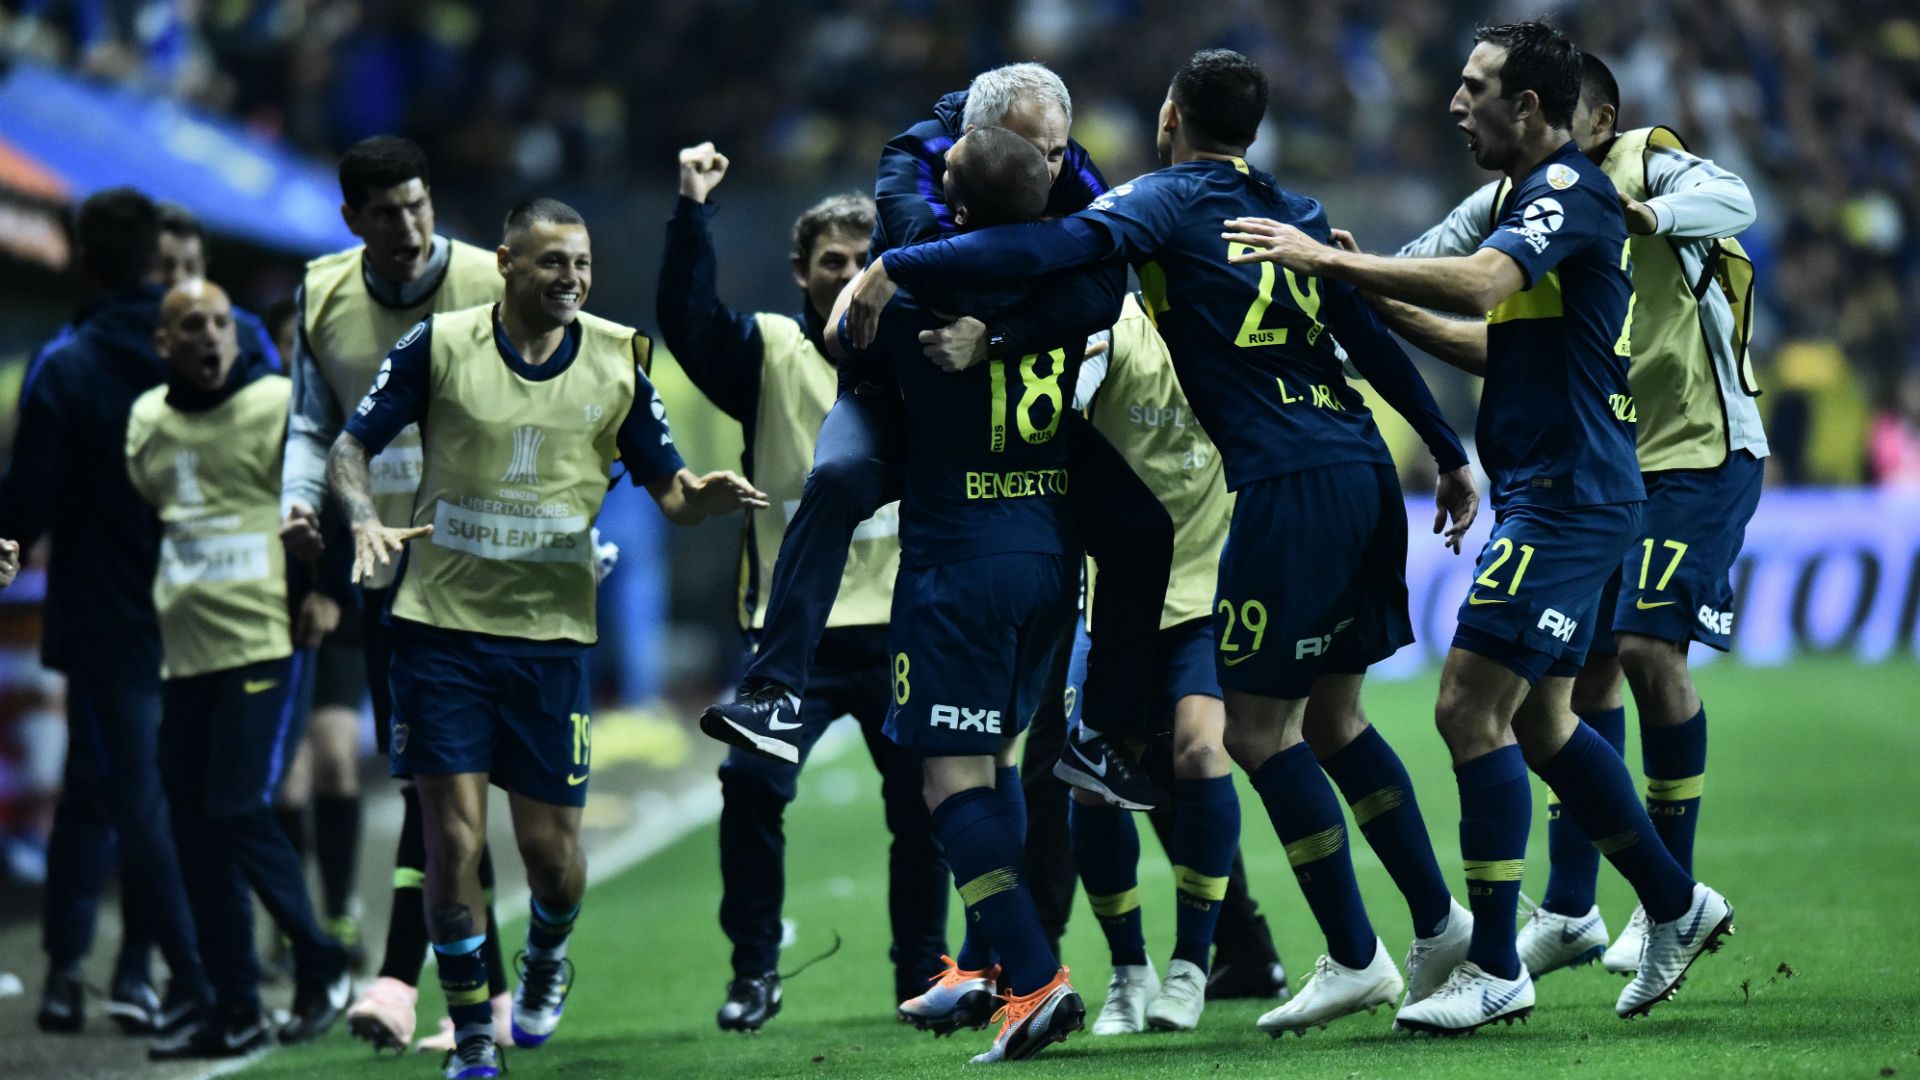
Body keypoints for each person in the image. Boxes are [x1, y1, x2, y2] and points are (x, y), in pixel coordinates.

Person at [847, 47, 1484, 1040]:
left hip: (1274, 487)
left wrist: (896, 261)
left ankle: (1355, 955)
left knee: (1247, 734)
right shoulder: (1295, 212)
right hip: (1359, 465)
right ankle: (1439, 925)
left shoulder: (1156, 203)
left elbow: (1040, 259)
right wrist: (1446, 446)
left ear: (1170, 115)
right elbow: (1356, 327)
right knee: (1335, 721)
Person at [1220, 20, 1736, 1031]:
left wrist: (1347, 273)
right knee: (1541, 721)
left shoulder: (1563, 191)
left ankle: (1495, 965)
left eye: (1474, 87)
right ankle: (1677, 904)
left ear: (1529, 108)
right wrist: (1376, 302)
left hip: (1573, 499)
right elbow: (1501, 345)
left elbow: (1485, 285)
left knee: (1468, 711)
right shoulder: (1521, 199)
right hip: (1560, 490)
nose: (1456, 103)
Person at [330, 197, 765, 1080]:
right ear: (506, 264)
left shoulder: (616, 360)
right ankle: (475, 1038)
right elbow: (350, 447)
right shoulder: (439, 347)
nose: (571, 279)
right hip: (440, 634)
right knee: (453, 843)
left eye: (583, 264)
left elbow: (670, 491)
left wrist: (700, 498)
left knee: (552, 862)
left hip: (551, 644)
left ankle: (547, 954)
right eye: (552, 263)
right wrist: (362, 518)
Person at [1383, 51, 1767, 980]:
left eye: (1586, 127)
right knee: (1576, 682)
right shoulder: (1525, 200)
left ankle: (1661, 898)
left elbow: (1737, 202)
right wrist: (1354, 270)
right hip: (1606, 458)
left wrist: (1651, 217)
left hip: (1699, 448)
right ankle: (1571, 907)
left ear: (1599, 121)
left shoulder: (1636, 165)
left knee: (1640, 649)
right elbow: (1439, 255)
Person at [701, 63, 1174, 814]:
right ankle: (773, 692)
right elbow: (959, 269)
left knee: (1144, 527)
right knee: (838, 479)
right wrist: (1042, 253)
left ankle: (1103, 734)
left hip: (1005, 389)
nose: (1046, 172)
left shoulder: (1065, 160)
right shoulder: (914, 156)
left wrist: (991, 324)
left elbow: (1101, 290)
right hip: (896, 392)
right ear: (971, 144)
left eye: (1056, 154)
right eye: (1030, 153)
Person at [827, 125, 1108, 1064]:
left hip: (959, 562)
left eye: (948, 181)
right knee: (993, 758)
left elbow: (846, 341)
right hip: (1048, 555)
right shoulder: (1068, 289)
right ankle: (989, 970)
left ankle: (1035, 980)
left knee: (949, 775)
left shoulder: (917, 289)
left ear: (958, 207)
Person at [658, 143, 949, 1028]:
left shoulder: (929, 344)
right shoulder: (771, 352)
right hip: (798, 642)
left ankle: (922, 974)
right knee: (750, 785)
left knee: (927, 806)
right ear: (802, 272)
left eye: (866, 260)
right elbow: (688, 319)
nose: (852, 274)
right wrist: (691, 212)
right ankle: (754, 970)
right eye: (834, 262)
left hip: (904, 626)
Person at [277, 135, 512, 1053]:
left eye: (418, 205)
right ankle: (475, 995)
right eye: (385, 213)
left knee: (456, 790)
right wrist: (299, 503)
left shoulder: (493, 281)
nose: (408, 226)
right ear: (352, 220)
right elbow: (311, 421)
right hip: (386, 579)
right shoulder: (322, 293)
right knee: (432, 787)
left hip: (489, 574)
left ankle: (411, 981)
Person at [0, 187, 213, 1038]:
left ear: (86, 258)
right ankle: (127, 971)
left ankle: (171, 973)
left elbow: (27, 501)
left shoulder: (68, 363)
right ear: (157, 262)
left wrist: (11, 537)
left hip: (101, 613)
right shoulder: (202, 351)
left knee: (116, 794)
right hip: (202, 604)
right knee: (134, 790)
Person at [127, 280, 352, 1058]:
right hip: (184, 655)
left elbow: (337, 498)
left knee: (235, 811)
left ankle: (322, 962)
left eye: (222, 323)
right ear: (165, 344)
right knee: (193, 834)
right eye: (193, 326)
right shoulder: (146, 423)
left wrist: (327, 592)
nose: (213, 337)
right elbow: (157, 521)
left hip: (264, 643)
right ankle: (237, 1007)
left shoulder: (276, 405)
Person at [1064, 291, 1259, 1034]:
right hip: (1115, 595)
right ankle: (1126, 971)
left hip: (1211, 589)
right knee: (1090, 788)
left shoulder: (1230, 313)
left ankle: (1190, 968)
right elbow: (1057, 414)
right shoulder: (1108, 324)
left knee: (1202, 752)